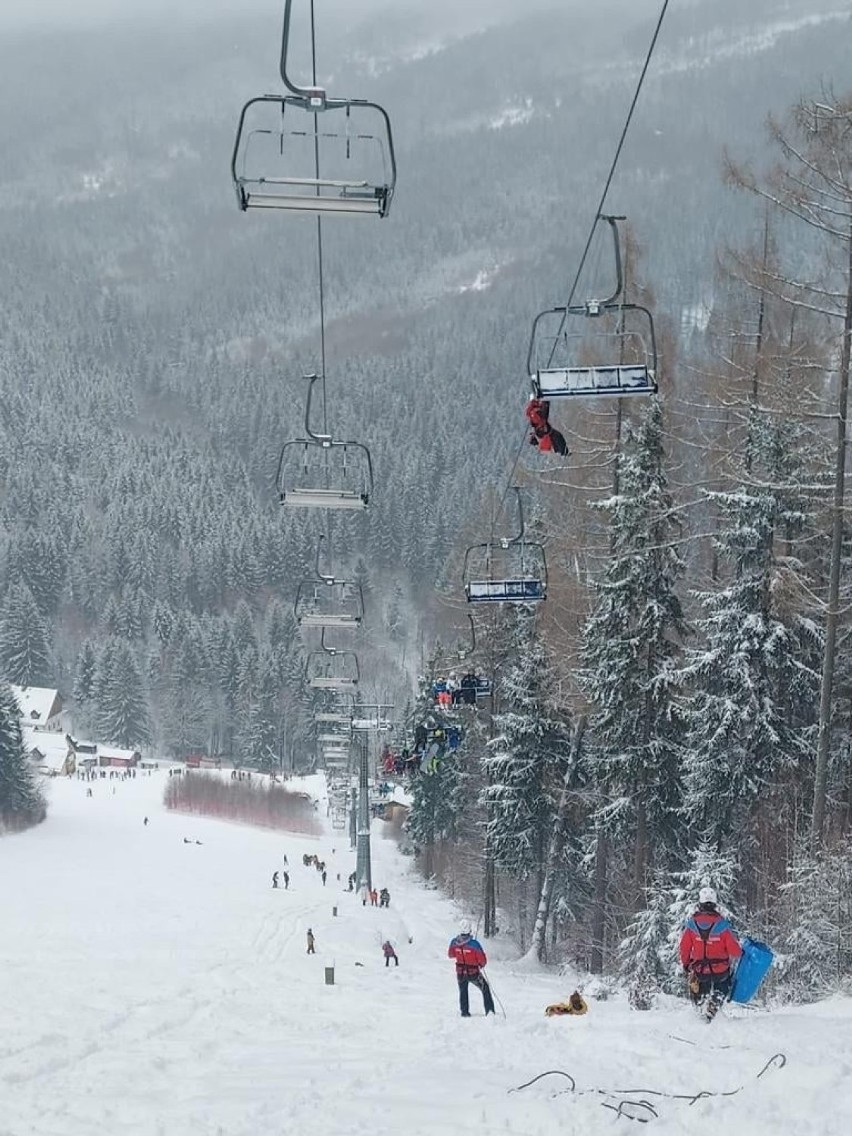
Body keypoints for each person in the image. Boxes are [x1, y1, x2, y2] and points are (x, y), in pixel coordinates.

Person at [679, 886, 743, 1021]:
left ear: (700, 903)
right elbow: (735, 951)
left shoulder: (691, 925)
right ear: (715, 904)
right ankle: (715, 1001)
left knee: (698, 990)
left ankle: (701, 1006)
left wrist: (686, 965)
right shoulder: (722, 925)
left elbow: (684, 948)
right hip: (721, 971)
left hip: (699, 970)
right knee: (724, 986)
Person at [448, 920, 495, 1017]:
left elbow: (450, 954)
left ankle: (464, 1012)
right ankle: (489, 1011)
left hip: (460, 973)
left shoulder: (454, 942)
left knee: (463, 991)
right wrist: (481, 964)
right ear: (469, 930)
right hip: (473, 973)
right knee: (485, 988)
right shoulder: (474, 944)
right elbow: (482, 960)